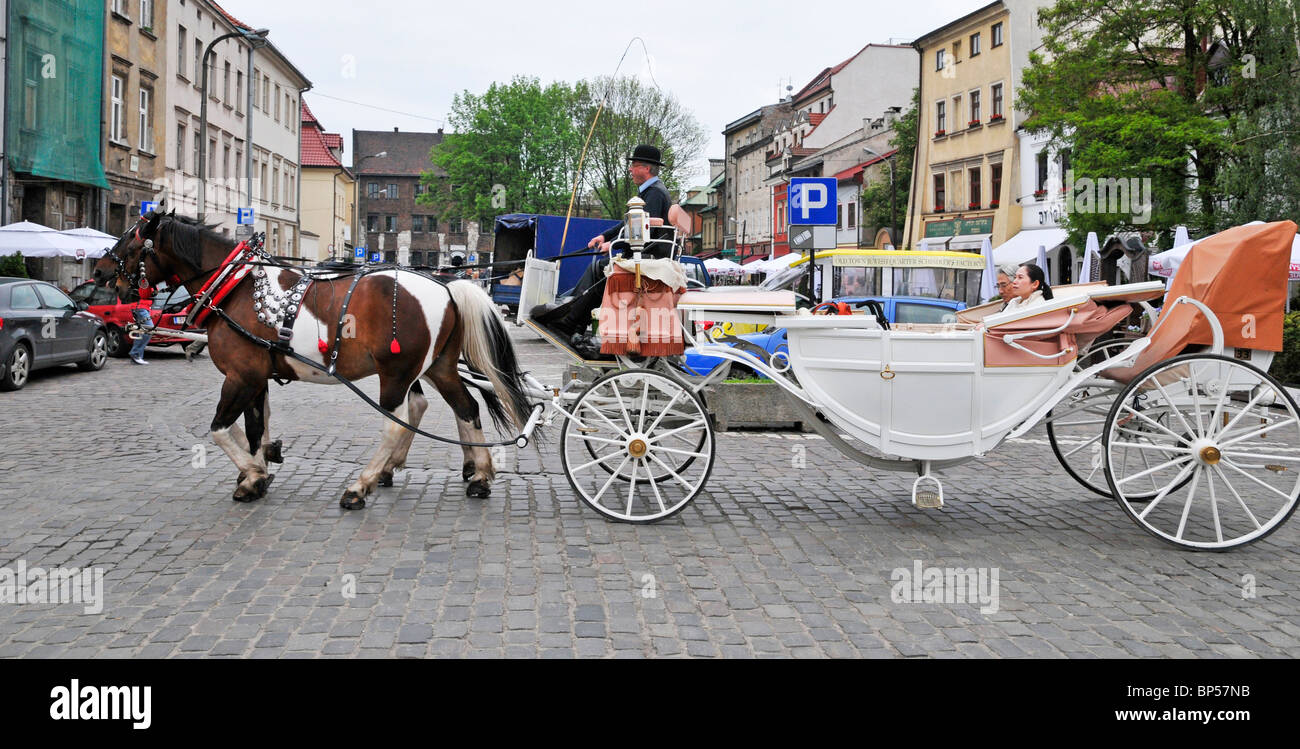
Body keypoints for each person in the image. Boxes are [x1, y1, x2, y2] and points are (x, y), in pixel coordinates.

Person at [532, 144, 672, 351]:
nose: (631, 170)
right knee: (599, 268)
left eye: (634, 165)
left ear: (646, 168)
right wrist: (605, 236)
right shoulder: (652, 192)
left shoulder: (654, 194)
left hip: (647, 255)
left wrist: (614, 244)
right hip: (645, 253)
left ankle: (570, 320)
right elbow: (629, 224)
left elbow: (642, 231)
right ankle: (573, 318)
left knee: (599, 269)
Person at [129, 286, 155, 365]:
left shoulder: (146, 281)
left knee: (141, 332)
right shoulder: (144, 280)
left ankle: (136, 355)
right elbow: (144, 293)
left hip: (142, 307)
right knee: (148, 330)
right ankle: (135, 354)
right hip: (140, 307)